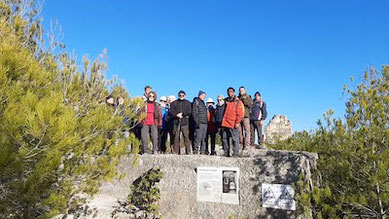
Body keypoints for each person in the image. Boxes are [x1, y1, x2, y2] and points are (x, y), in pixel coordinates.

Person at [221, 87, 244, 157]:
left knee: (235, 139)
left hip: (233, 123)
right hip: (225, 122)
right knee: (224, 138)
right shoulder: (225, 101)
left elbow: (240, 113)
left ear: (234, 92)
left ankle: (236, 153)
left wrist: (237, 122)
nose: (229, 93)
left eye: (231, 91)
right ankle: (226, 153)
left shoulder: (238, 102)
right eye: (228, 92)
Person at [169, 90, 192, 154]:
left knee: (186, 137)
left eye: (183, 95)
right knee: (176, 137)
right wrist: (176, 115)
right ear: (178, 95)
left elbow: (189, 111)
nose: (181, 96)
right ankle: (176, 152)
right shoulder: (174, 103)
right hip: (176, 122)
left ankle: (188, 152)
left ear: (185, 96)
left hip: (185, 122)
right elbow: (171, 111)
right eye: (180, 95)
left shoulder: (188, 103)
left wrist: (183, 114)